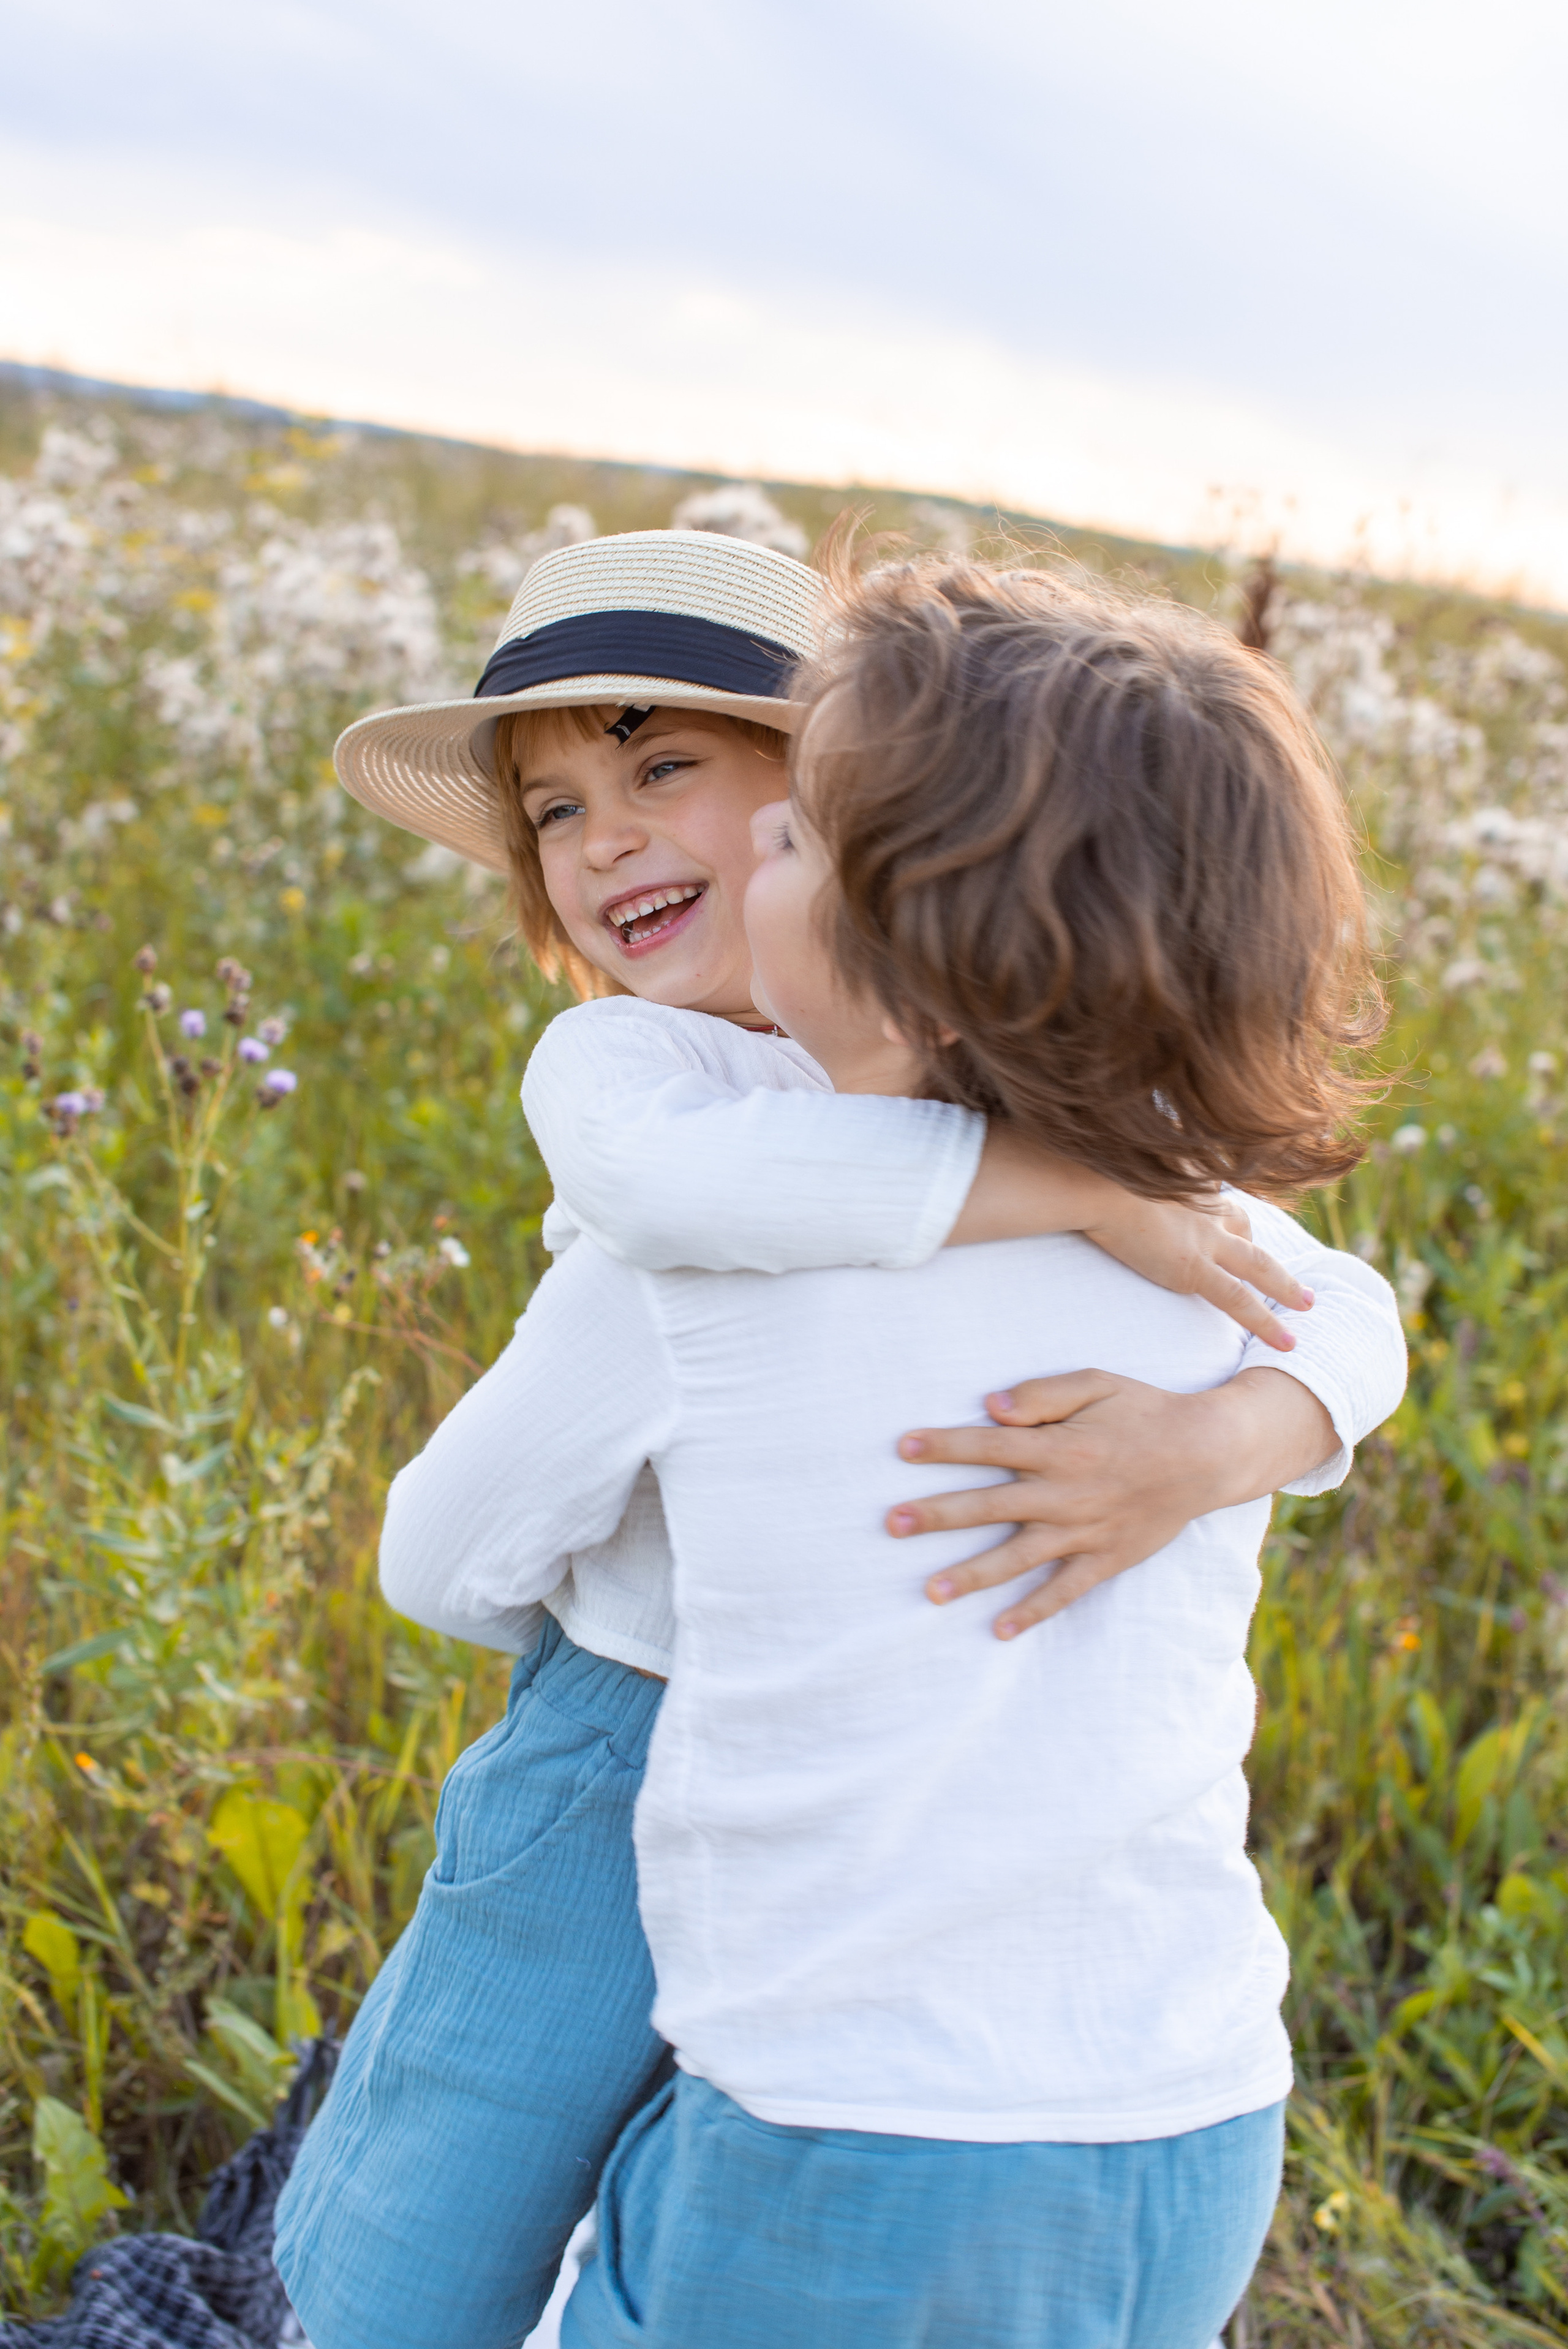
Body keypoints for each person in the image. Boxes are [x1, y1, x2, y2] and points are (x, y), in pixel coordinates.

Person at [274, 533, 1404, 2349]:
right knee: (476, 2140)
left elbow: (1339, 1306)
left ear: (863, 810)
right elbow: (671, 1183)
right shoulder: (694, 1105)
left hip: (777, 1762)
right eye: (554, 811)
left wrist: (1215, 1438)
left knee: (528, 2117)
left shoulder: (1019, 1148)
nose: (608, 841)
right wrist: (1086, 1198)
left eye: (673, 774)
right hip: (718, 1746)